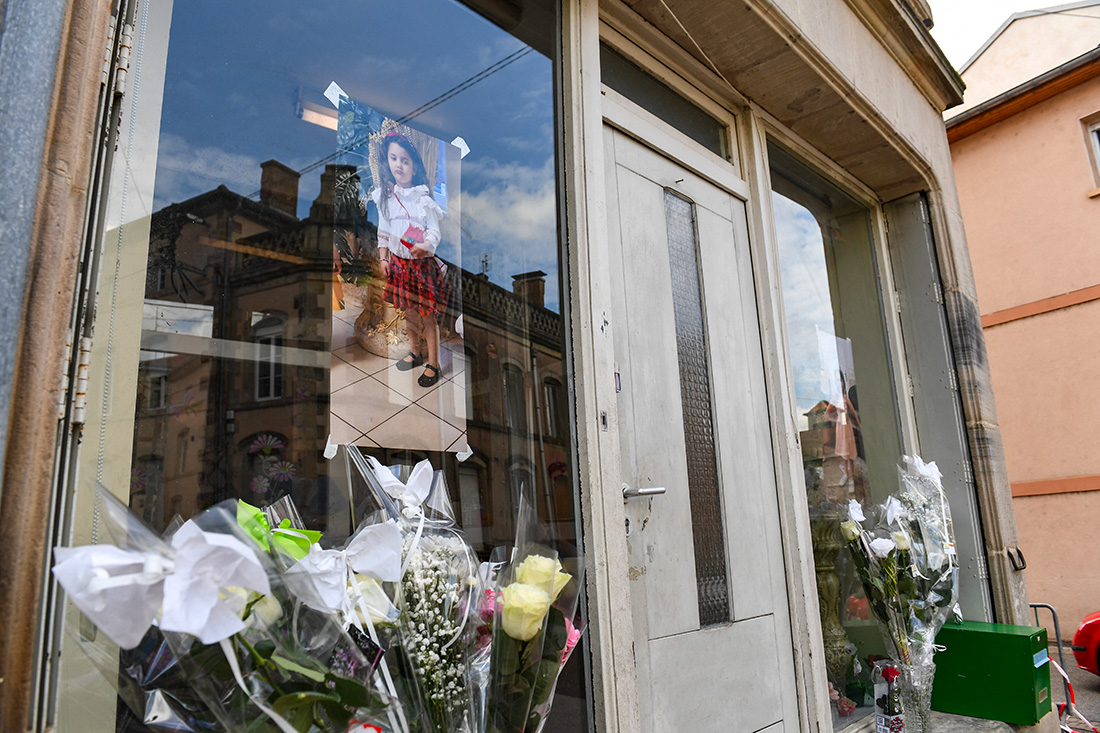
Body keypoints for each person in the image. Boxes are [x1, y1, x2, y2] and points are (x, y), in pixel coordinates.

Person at [372, 130, 447, 387]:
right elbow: (383, 231)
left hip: (421, 267)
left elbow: (435, 232)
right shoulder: (385, 198)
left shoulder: (423, 200)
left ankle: (434, 363)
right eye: (394, 158)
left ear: (414, 167)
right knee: (409, 312)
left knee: (427, 316)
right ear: (387, 161)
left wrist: (425, 245)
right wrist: (383, 258)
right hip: (399, 266)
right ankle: (415, 351)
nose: (399, 165)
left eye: (404, 160)